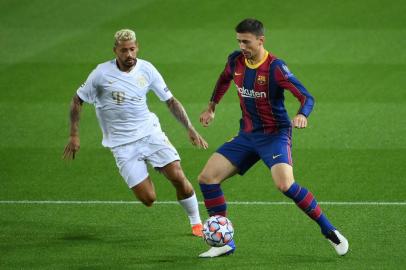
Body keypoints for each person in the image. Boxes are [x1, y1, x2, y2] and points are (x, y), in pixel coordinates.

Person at [198, 19, 349, 257]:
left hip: (274, 136)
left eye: (246, 41)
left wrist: (302, 115)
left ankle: (330, 231)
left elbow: (306, 97)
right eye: (238, 41)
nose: (242, 46)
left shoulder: (276, 68)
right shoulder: (235, 60)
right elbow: (223, 79)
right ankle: (225, 242)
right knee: (207, 178)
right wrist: (212, 107)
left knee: (284, 184)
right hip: (247, 134)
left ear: (261, 40)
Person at [63, 29, 208, 237]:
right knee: (148, 199)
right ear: (115, 51)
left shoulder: (146, 69)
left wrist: (190, 128)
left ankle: (196, 222)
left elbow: (170, 101)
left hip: (150, 133)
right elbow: (77, 99)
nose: (129, 54)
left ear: (137, 47)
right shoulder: (101, 73)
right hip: (122, 144)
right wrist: (74, 134)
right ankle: (150, 172)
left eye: (132, 49)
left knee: (177, 174)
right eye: (124, 50)